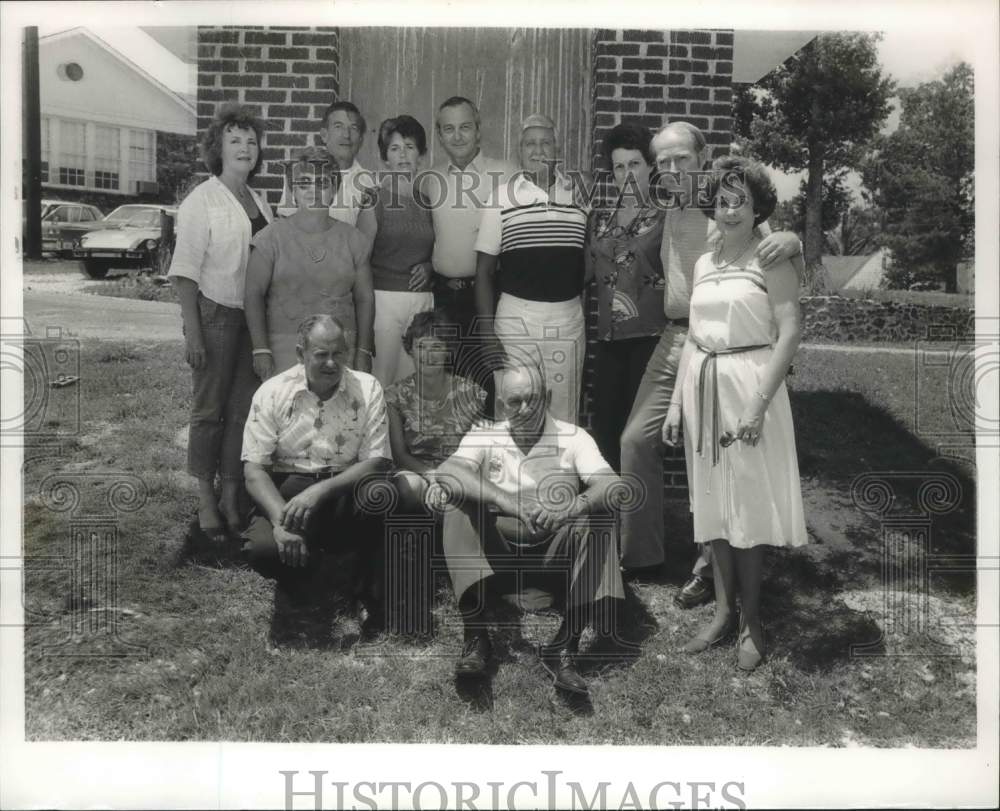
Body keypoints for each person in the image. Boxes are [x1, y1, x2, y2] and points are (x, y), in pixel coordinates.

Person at [618, 121, 804, 589]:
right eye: (662, 161)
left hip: (729, 347)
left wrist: (795, 240)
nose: (672, 168)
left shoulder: (727, 206)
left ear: (703, 157)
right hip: (676, 340)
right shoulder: (670, 208)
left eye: (681, 158)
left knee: (719, 453)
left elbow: (774, 248)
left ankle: (708, 570)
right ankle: (641, 559)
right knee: (637, 440)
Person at [662, 156, 808, 671]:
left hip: (751, 389)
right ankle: (722, 614)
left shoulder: (771, 257)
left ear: (757, 206)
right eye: (721, 202)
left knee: (747, 509)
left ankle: (752, 623)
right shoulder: (705, 262)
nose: (728, 211)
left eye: (739, 201)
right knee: (715, 509)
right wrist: (678, 404)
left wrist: (757, 406)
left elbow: (789, 334)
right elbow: (695, 339)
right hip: (704, 388)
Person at [432, 360, 627, 696]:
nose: (524, 409)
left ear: (548, 397)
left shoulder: (573, 436)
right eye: (514, 401)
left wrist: (574, 506)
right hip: (499, 560)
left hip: (556, 560)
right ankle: (476, 637)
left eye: (532, 399)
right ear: (501, 404)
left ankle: (564, 647)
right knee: (457, 504)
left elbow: (613, 485)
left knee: (601, 513)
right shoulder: (485, 434)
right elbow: (449, 472)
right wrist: (511, 503)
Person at [241, 314, 392, 627]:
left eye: (338, 353)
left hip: (344, 485)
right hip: (290, 485)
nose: (331, 363)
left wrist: (320, 491)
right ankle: (301, 574)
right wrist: (279, 522)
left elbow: (378, 461)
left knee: (381, 494)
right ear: (300, 354)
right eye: (321, 355)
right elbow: (254, 469)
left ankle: (365, 589)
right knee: (263, 549)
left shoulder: (368, 387)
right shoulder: (272, 392)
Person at [168, 103, 274, 541]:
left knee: (241, 412)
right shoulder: (202, 199)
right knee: (209, 411)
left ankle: (232, 496)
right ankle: (206, 499)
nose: (245, 148)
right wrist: (193, 331)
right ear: (218, 148)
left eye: (251, 141)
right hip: (213, 315)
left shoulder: (260, 199)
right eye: (235, 140)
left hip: (253, 320)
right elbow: (185, 273)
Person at [474, 113, 589, 424]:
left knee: (562, 414)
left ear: (557, 148)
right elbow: (483, 272)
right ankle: (511, 474)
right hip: (516, 319)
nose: (538, 151)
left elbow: (588, 258)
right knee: (512, 407)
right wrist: (486, 332)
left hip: (567, 317)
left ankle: (560, 474)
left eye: (546, 142)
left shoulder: (580, 196)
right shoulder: (500, 197)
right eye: (529, 144)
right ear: (519, 151)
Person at [419, 97, 518, 406]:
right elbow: (420, 233)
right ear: (439, 135)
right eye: (448, 129)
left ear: (478, 130)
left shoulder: (507, 175)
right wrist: (424, 263)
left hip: (491, 295)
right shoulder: (429, 181)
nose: (457, 136)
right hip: (444, 298)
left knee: (492, 382)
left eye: (464, 127)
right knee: (452, 387)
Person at [244, 147, 375, 377]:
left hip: (340, 350)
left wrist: (363, 350)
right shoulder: (271, 238)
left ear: (335, 189)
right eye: (304, 183)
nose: (313, 191)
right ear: (293, 190)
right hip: (285, 350)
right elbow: (253, 293)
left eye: (322, 183)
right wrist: (260, 349)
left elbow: (365, 298)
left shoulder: (354, 240)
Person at [586, 121, 666, 470]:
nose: (627, 173)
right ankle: (608, 513)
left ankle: (638, 520)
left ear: (650, 167)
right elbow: (585, 273)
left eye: (634, 164)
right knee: (603, 428)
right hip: (609, 341)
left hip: (650, 341)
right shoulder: (599, 219)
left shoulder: (668, 217)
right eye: (619, 166)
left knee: (639, 438)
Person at [385, 310, 486, 511]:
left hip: (461, 471)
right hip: (417, 472)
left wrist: (450, 478)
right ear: (410, 349)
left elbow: (479, 449)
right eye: (421, 346)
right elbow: (399, 454)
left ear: (448, 350)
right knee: (408, 487)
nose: (429, 355)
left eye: (437, 346)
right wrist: (433, 476)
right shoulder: (395, 395)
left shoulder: (472, 393)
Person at [367, 115, 436, 387]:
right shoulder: (375, 200)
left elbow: (437, 250)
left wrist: (430, 267)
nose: (403, 155)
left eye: (410, 147)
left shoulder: (430, 203)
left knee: (415, 384)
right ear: (385, 158)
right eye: (394, 149)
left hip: (422, 301)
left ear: (421, 155)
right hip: (384, 301)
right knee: (382, 382)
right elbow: (361, 259)